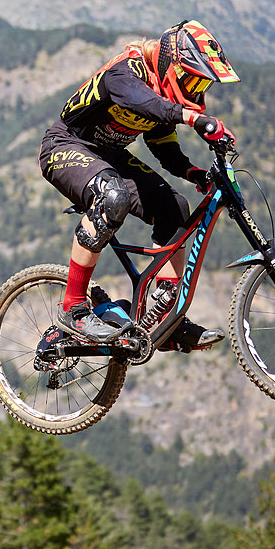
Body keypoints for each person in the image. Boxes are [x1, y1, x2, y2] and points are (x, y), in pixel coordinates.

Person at [39, 19, 239, 349]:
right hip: (64, 146)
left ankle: (166, 320)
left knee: (176, 208)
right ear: (170, 63)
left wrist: (194, 174)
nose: (194, 92)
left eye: (201, 87)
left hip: (108, 154)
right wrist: (194, 118)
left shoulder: (161, 93)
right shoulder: (128, 70)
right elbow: (144, 103)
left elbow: (164, 146)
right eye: (191, 80)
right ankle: (74, 308)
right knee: (112, 197)